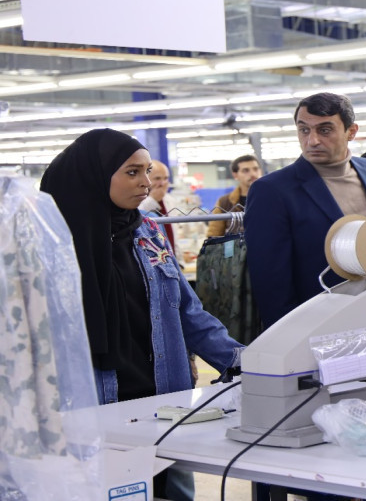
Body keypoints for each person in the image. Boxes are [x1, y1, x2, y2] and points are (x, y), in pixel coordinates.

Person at [39, 128, 243, 501]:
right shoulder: (51, 244)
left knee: (174, 491)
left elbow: (188, 312)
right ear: (96, 175)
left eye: (147, 171)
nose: (146, 183)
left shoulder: (147, 231)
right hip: (95, 404)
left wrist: (244, 361)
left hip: (164, 399)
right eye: (132, 172)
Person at [245, 92, 366, 329]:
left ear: (351, 132)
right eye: (304, 130)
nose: (312, 141)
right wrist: (289, 336)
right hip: (319, 321)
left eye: (325, 130)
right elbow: (270, 280)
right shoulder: (272, 190)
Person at [206, 154, 261, 237]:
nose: (253, 174)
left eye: (255, 169)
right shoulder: (224, 202)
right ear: (235, 175)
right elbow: (214, 234)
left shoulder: (272, 197)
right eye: (245, 170)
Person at [139, 159, 179, 250]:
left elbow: (174, 235)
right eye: (157, 178)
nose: (162, 183)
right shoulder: (137, 199)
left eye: (165, 178)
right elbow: (139, 216)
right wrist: (152, 200)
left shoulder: (170, 200)